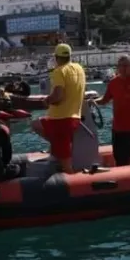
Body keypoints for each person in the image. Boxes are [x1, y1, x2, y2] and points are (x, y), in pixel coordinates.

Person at [31, 43, 86, 174]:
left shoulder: (59, 71)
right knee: (37, 124)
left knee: (66, 166)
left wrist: (47, 100)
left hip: (61, 120)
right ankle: (55, 149)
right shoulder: (79, 69)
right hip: (75, 117)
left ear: (56, 57)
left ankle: (71, 177)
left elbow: (58, 95)